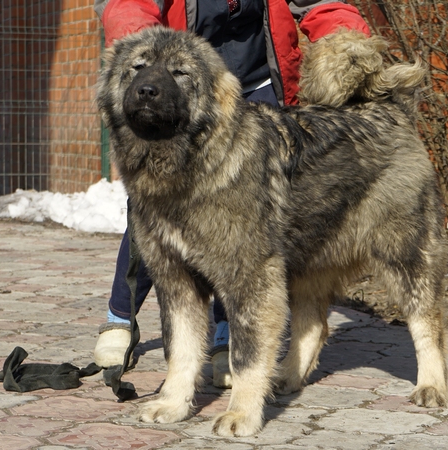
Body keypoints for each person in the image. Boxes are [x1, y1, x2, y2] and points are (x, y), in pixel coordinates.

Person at [92, 0, 371, 388]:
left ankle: (227, 337)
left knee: (240, 225)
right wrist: (143, 48)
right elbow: (129, 4)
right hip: (179, 84)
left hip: (255, 86)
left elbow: (321, 3)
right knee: (152, 210)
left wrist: (351, 43)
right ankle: (120, 317)